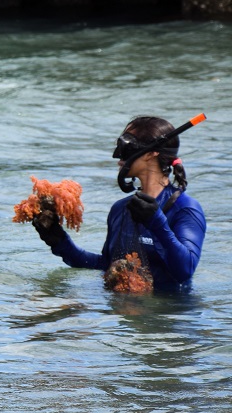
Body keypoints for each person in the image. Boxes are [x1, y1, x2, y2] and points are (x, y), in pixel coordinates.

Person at [33, 116, 206, 292]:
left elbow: (185, 270)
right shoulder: (121, 209)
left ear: (151, 153)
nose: (118, 156)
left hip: (168, 307)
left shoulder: (185, 208)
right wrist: (59, 242)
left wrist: (156, 222)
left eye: (126, 146)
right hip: (120, 306)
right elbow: (105, 265)